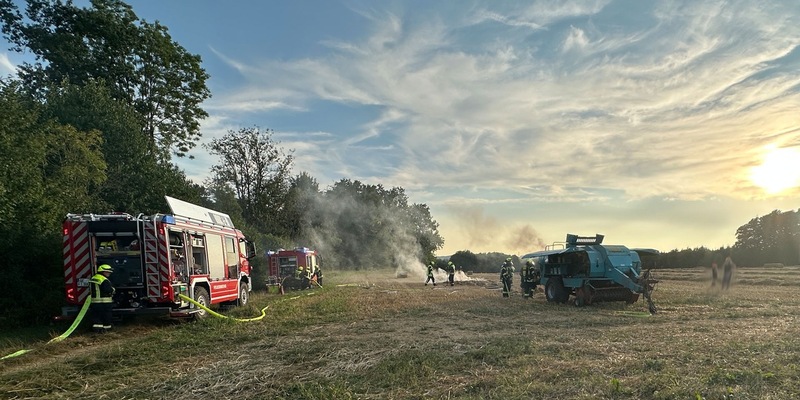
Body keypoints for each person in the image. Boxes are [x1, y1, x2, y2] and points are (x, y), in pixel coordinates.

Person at [89, 264, 115, 333]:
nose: (109, 273)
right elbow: (108, 290)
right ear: (103, 272)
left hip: (95, 302)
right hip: (105, 302)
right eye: (107, 272)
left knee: (96, 316)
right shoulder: (104, 280)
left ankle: (97, 330)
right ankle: (107, 329)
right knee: (106, 316)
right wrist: (113, 290)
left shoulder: (93, 278)